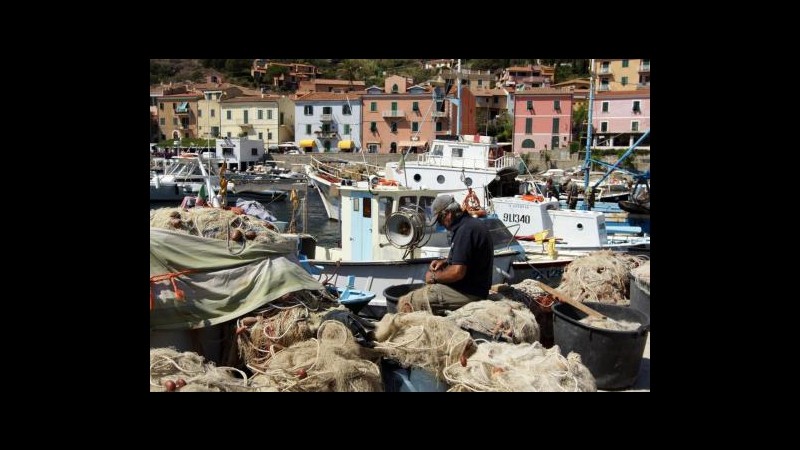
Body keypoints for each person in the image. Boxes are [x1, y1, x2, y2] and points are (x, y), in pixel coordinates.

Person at [396, 195, 495, 315]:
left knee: (409, 301)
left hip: (469, 293)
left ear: (448, 214)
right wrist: (446, 261)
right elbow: (468, 258)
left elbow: (458, 272)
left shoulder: (465, 231)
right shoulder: (470, 225)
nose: (441, 224)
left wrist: (433, 277)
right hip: (474, 288)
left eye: (440, 220)